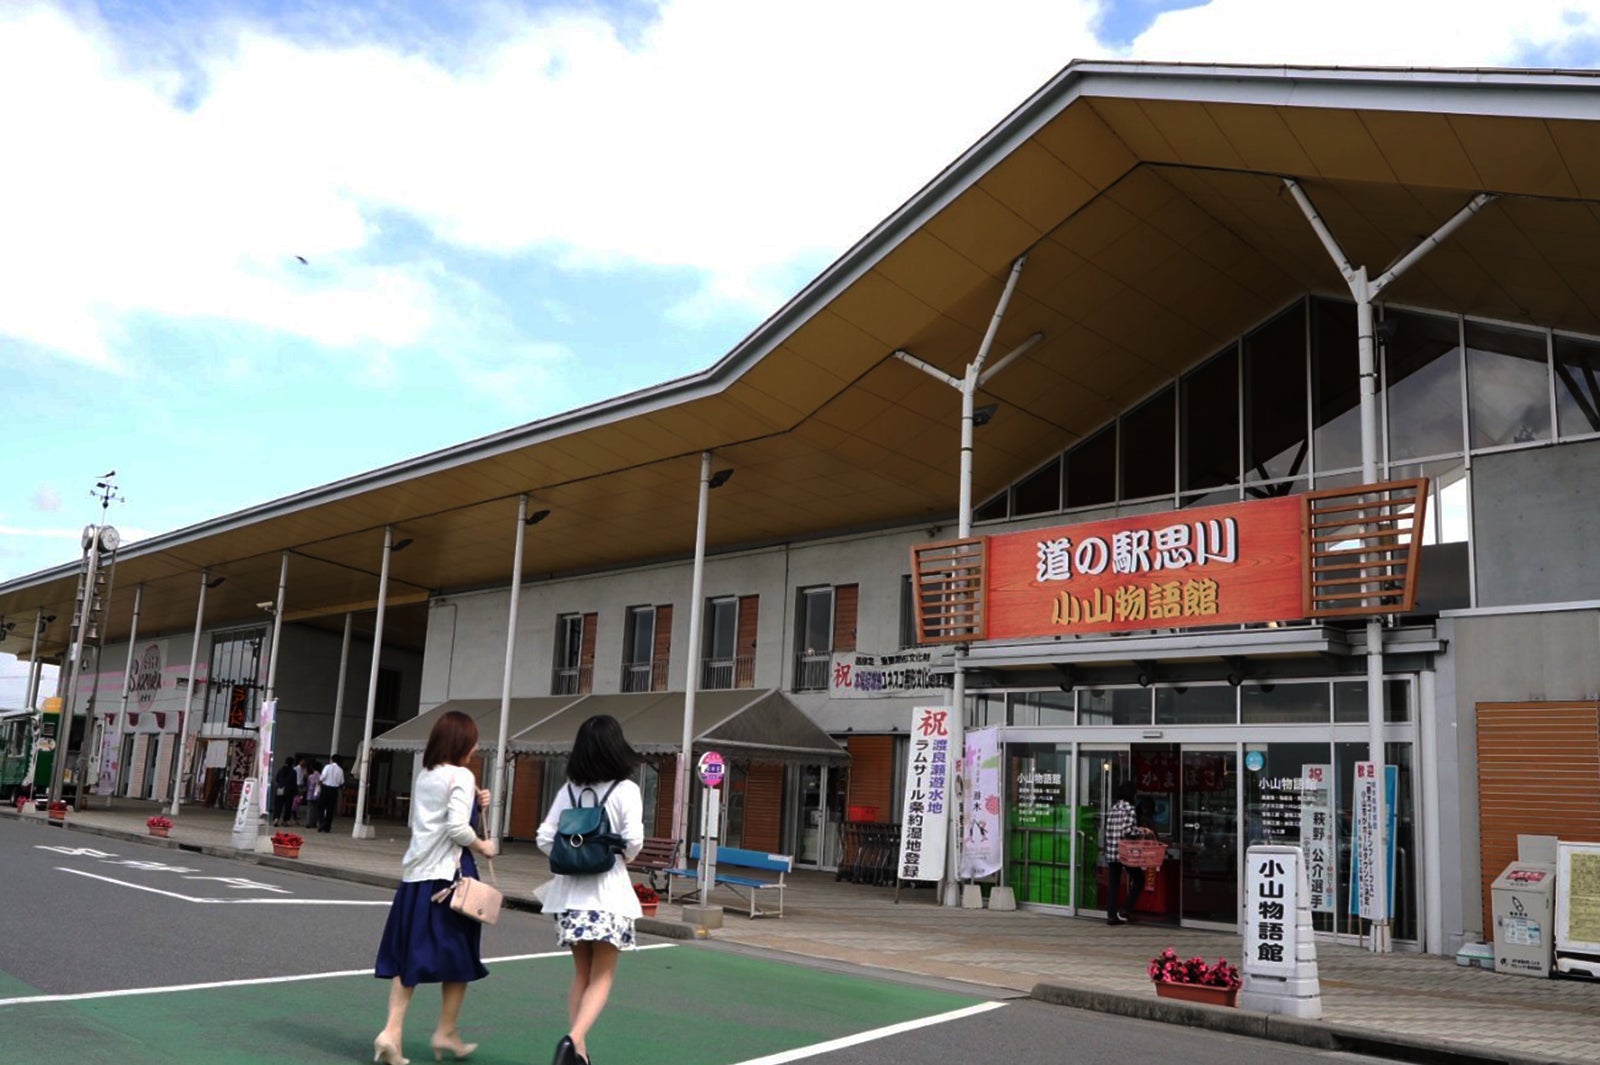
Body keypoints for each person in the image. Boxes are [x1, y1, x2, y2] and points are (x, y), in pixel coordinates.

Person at [372, 709, 495, 1065]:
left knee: (407, 956)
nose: (475, 747)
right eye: (472, 741)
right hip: (449, 879)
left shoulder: (426, 775)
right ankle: (445, 1030)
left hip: (415, 877)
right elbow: (457, 828)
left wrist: (474, 800)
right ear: (462, 742)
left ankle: (391, 1031)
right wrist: (483, 846)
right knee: (459, 956)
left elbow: (437, 819)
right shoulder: (461, 775)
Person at [536, 715, 645, 1065]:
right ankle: (573, 1041)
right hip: (608, 895)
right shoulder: (625, 790)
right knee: (602, 976)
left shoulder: (568, 790)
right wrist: (615, 857)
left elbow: (544, 838)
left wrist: (571, 858)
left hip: (569, 897)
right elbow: (633, 843)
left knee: (581, 974)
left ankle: (579, 1055)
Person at [1102, 781, 1144, 926]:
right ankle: (1125, 909)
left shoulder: (1113, 809)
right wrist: (1141, 831)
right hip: (1125, 853)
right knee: (1139, 880)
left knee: (1113, 884)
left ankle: (1111, 916)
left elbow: (1108, 830)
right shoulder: (1129, 809)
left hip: (1112, 851)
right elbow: (1128, 830)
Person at [317, 754, 346, 832]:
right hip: (334, 790)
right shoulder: (340, 770)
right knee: (330, 809)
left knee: (321, 806)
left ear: (332, 759)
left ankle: (322, 822)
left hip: (325, 788)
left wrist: (319, 783)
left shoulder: (327, 767)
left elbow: (322, 777)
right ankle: (327, 827)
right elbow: (341, 782)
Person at [270, 757, 297, 827]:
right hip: (289, 790)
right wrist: (296, 792)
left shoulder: (280, 770)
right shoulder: (293, 772)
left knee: (278, 804)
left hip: (280, 789)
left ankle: (276, 818)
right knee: (288, 806)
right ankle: (285, 820)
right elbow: (294, 783)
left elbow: (277, 779)